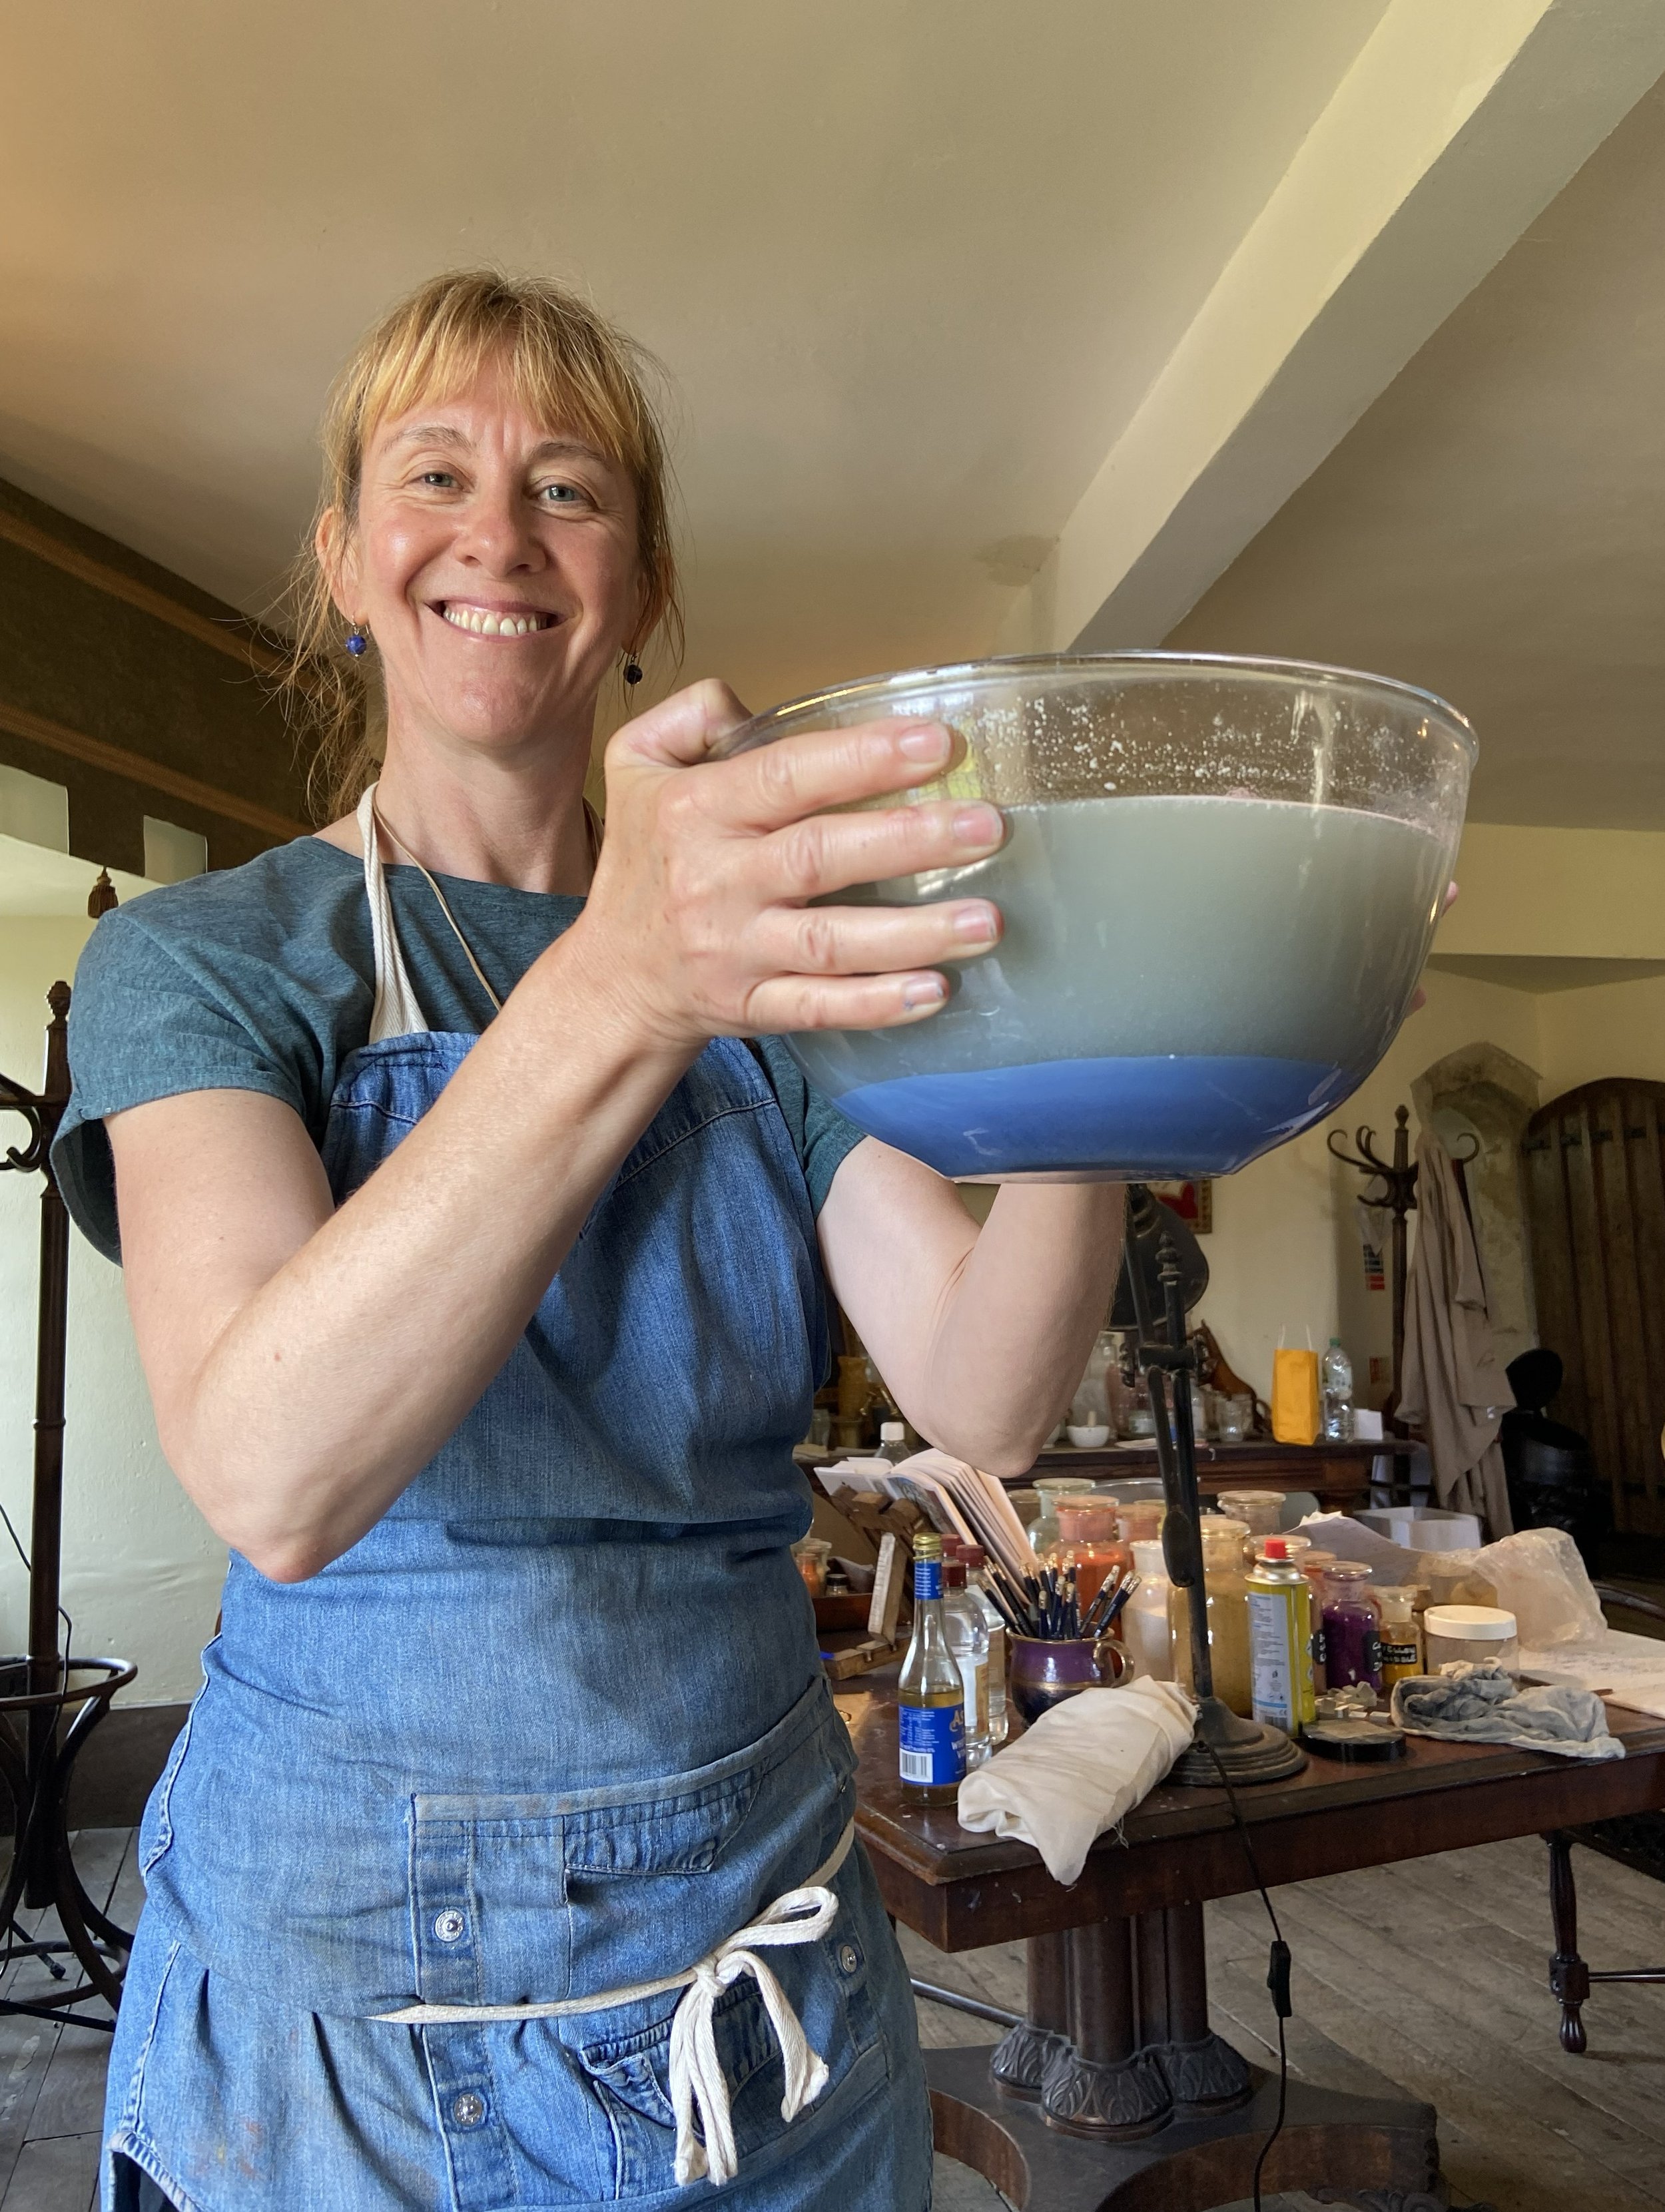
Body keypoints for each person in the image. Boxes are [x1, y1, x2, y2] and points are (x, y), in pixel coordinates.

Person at [53, 270, 1124, 2212]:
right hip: (358, 2043)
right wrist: (629, 981)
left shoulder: (772, 991)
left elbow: (987, 1394)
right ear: (345, 560)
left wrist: (1100, 1060)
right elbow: (273, 1467)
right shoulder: (207, 963)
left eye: (568, 489)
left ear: (634, 587)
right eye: (435, 474)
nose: (498, 531)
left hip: (769, 1982)